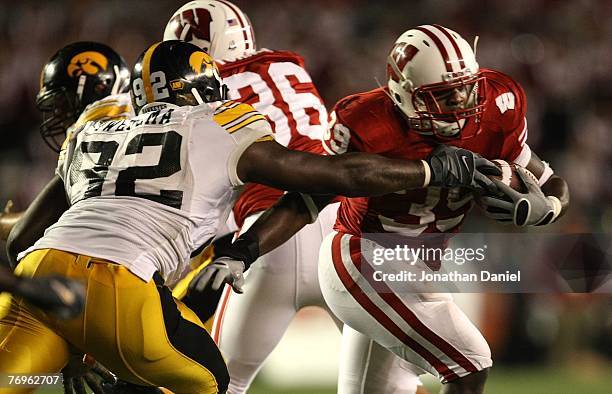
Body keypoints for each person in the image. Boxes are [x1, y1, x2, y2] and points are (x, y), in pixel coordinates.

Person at [0, 39, 495, 393]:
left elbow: (20, 236)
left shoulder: (94, 133)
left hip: (38, 271)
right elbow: (332, 175)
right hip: (120, 283)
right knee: (209, 381)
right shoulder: (215, 122)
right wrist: (427, 171)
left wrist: (68, 360)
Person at [192, 25, 570, 394]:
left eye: (465, 91)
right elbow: (308, 198)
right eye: (443, 97)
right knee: (469, 362)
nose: (460, 106)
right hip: (362, 258)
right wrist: (245, 250)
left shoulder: (498, 103)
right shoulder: (365, 121)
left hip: (421, 267)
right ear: (403, 94)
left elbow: (549, 180)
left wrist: (547, 207)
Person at [164, 1, 427, 392]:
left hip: (270, 234)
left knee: (215, 382)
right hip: (345, 230)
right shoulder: (288, 67)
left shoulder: (199, 95)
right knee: (390, 384)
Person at [3, 41, 132, 265]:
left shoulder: (94, 124)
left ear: (99, 87)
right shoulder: (143, 114)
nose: (58, 113)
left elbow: (24, 237)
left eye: (63, 102)